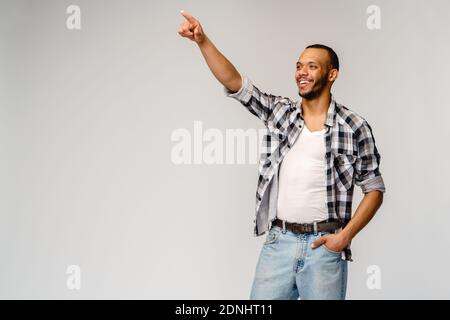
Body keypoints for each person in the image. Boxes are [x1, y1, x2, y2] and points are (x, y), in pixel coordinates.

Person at [178, 10, 386, 300]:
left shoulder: (354, 126)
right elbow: (237, 83)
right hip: (279, 242)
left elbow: (374, 189)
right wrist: (203, 41)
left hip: (324, 248)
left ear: (331, 74)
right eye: (299, 66)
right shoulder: (281, 114)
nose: (301, 72)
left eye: (311, 67)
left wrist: (345, 236)